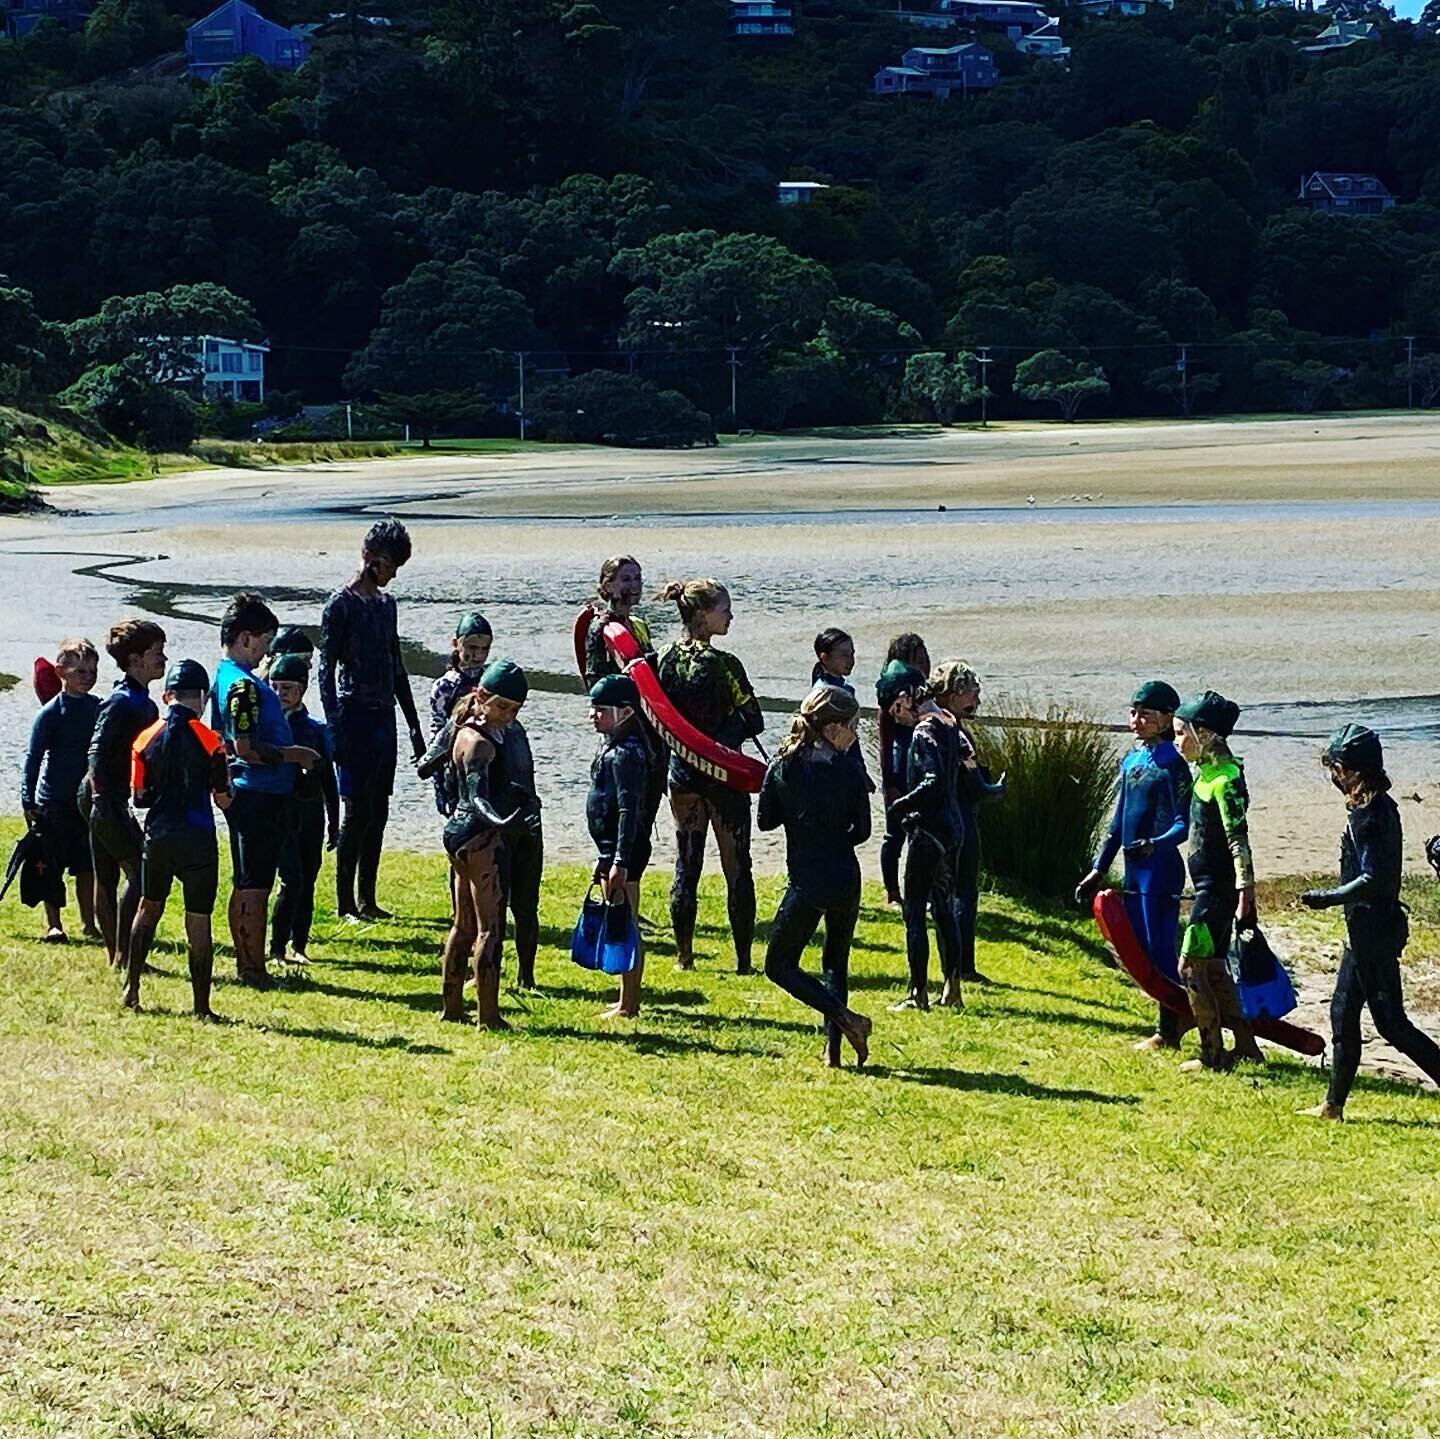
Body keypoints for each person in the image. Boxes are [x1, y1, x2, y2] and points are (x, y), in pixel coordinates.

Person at [1299, 725, 1440, 1120]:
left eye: (1336, 768)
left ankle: (1333, 1103)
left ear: (1350, 771)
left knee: (1392, 1024)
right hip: (1361, 933)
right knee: (1343, 1014)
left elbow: (1374, 878)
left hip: (1373, 933)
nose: (1332, 776)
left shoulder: (1371, 815)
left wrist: (1328, 897)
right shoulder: (1376, 807)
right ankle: (1333, 1105)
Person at [757, 684, 873, 1067]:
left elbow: (766, 821)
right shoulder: (850, 768)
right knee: (835, 963)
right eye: (853, 725)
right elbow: (862, 832)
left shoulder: (784, 765)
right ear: (832, 727)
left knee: (779, 965)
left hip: (808, 880)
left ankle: (847, 1021)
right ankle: (833, 1051)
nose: (856, 733)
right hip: (845, 875)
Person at [654, 578, 764, 974]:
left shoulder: (662, 659)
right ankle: (744, 961)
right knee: (738, 867)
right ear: (703, 615)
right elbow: (755, 720)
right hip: (724, 774)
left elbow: (658, 718)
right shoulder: (724, 664)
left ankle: (684, 957)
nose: (731, 615)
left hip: (682, 774)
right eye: (724, 610)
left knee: (687, 865)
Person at [1076, 681, 1193, 1049]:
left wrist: (1154, 844)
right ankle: (1175, 1019)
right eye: (1133, 712)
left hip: (1160, 869)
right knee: (1140, 949)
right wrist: (1098, 868)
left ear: (1167, 718)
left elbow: (1182, 825)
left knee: (1160, 949)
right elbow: (1117, 822)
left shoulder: (1175, 766)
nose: (1137, 720)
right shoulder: (1132, 760)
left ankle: (1168, 1030)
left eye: (1146, 714)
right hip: (1134, 870)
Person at [318, 519, 425, 921]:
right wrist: (333, 727)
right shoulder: (340, 604)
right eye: (388, 565)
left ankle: (368, 898)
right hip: (353, 716)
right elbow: (325, 669)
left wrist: (414, 726)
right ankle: (345, 901)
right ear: (369, 557)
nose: (392, 574)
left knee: (378, 810)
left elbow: (397, 667)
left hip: (384, 718)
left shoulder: (386, 605)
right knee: (356, 811)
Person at [215, 593, 319, 989]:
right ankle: (252, 967)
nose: (266, 651)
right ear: (245, 638)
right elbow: (245, 747)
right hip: (258, 795)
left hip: (255, 793)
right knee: (255, 886)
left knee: (250, 881)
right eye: (263, 642)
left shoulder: (229, 678)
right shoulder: (242, 686)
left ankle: (251, 961)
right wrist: (295, 754)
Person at [122, 660, 230, 1019]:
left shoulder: (143, 739)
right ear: (202, 697)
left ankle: (131, 988)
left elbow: (138, 796)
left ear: (167, 696)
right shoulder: (212, 741)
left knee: (148, 908)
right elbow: (222, 796)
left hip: (159, 835)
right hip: (197, 836)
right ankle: (201, 1007)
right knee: (198, 920)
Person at [429, 660, 529, 1029]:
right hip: (478, 836)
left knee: (463, 923)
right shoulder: (481, 746)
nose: (507, 717)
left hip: (457, 835)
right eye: (502, 707)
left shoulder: (458, 727)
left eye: (515, 710)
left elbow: (426, 764)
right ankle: (489, 1015)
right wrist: (507, 821)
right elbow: (478, 801)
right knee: (489, 928)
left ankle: (452, 1007)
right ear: (481, 696)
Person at [1172, 690, 1264, 1071]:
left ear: (1205, 734)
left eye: (1181, 733)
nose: (1177, 742)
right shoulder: (1204, 773)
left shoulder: (1226, 779)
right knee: (1213, 968)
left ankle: (1211, 1055)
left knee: (1190, 967)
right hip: (1207, 886)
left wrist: (1246, 895)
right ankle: (1245, 1046)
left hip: (1218, 891)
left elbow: (1238, 841)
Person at [880, 660, 966, 1012]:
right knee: (944, 907)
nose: (896, 717)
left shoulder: (922, 732)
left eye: (893, 709)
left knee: (914, 910)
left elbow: (931, 782)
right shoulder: (949, 721)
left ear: (905, 698)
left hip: (928, 829)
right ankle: (953, 987)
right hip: (954, 826)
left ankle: (917, 994)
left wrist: (900, 806)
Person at [84, 619, 167, 968]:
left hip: (104, 797)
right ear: (136, 659)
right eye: (157, 653)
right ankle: (125, 956)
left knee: (109, 874)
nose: (164, 659)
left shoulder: (139, 700)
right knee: (140, 873)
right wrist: (105, 802)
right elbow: (96, 753)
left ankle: (117, 955)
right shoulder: (124, 702)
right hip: (103, 798)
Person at [21, 638, 101, 944]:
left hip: (87, 801)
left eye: (92, 670)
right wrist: (27, 797)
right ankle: (54, 924)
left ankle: (89, 922)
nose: (87, 676)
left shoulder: (98, 708)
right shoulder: (52, 712)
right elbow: (33, 757)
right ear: (60, 672)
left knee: (87, 865)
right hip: (54, 801)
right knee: (49, 865)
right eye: (80, 670)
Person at [931, 660, 1006, 985]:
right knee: (963, 893)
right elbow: (973, 783)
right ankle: (962, 965)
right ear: (956, 693)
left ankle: (953, 963)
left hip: (940, 820)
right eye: (973, 692)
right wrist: (996, 789)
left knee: (945, 892)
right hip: (961, 818)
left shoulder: (930, 725)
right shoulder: (957, 733)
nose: (977, 698)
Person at [586, 674, 656, 1018]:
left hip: (622, 852)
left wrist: (619, 860)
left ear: (626, 712)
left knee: (625, 923)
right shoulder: (613, 744)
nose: (592, 715)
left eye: (601, 709)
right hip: (611, 849)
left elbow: (629, 811)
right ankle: (625, 997)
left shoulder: (628, 753)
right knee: (619, 920)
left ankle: (629, 1004)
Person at [268, 654, 339, 967]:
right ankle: (276, 947)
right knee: (291, 879)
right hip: (281, 812)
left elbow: (328, 780)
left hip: (310, 813)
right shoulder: (267, 727)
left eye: (288, 687)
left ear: (302, 690)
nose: (281, 693)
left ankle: (300, 945)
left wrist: (335, 823)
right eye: (275, 687)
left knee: (308, 879)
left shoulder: (314, 729)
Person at [878, 633, 931, 905]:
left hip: (922, 766)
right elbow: (885, 744)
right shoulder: (892, 699)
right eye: (918, 661)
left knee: (922, 832)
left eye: (926, 660)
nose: (925, 666)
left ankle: (920, 888)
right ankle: (892, 890)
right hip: (901, 768)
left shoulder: (926, 695)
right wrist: (888, 783)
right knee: (894, 833)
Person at [427, 611, 493, 814]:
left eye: (484, 649)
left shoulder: (490, 681)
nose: (478, 655)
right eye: (472, 648)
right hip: (455, 763)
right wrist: (438, 785)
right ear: (456, 644)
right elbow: (437, 733)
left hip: (489, 759)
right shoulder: (445, 687)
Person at [811, 627, 875, 793]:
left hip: (847, 758)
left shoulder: (846, 689)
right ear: (824, 657)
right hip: (830, 764)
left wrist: (862, 770)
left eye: (852, 654)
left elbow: (851, 737)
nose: (851, 660)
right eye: (844, 655)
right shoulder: (823, 693)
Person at [584, 555, 652, 686]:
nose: (635, 585)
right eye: (626, 579)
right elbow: (594, 680)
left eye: (637, 579)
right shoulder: (600, 627)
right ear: (609, 586)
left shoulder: (639, 624)